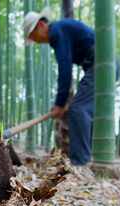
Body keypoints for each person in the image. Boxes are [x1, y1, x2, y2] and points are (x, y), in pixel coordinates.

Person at [23, 8, 95, 166]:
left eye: (33, 36)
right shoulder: (61, 30)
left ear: (41, 25)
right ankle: (88, 158)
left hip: (101, 65)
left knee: (78, 109)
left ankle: (81, 163)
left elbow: (65, 69)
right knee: (87, 111)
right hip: (97, 66)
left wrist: (60, 104)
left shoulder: (57, 32)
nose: (35, 41)